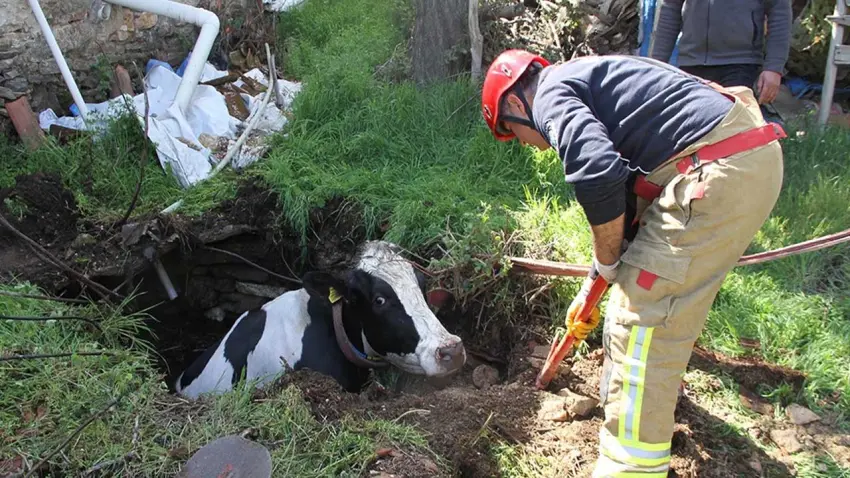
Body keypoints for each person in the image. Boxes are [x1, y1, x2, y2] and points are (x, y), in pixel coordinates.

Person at [481, 50, 785, 477]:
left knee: (640, 314)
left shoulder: (548, 94)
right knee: (652, 299)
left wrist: (608, 264)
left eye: (512, 133)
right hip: (741, 155)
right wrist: (595, 280)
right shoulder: (589, 80)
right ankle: (647, 393)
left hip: (718, 168)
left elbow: (597, 174)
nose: (526, 144)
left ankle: (630, 467)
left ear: (516, 105)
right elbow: (627, 201)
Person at [649, 0, 792, 106]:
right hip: (691, 63)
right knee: (693, 132)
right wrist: (657, 63)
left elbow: (780, 13)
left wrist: (774, 67)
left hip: (740, 64)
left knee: (732, 132)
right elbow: (670, 10)